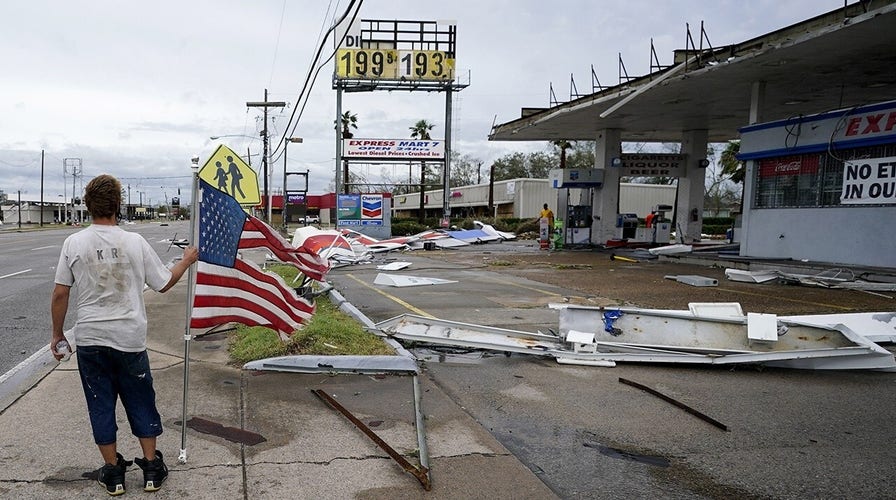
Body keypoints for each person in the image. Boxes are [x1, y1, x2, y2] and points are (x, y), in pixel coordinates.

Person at [50, 174, 198, 496]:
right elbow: (163, 282)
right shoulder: (135, 243)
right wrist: (185, 260)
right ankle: (151, 469)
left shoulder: (73, 243)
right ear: (118, 205)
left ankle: (114, 473)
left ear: (88, 206)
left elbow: (61, 293)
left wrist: (58, 334)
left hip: (90, 340)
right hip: (129, 340)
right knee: (141, 400)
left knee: (100, 404)